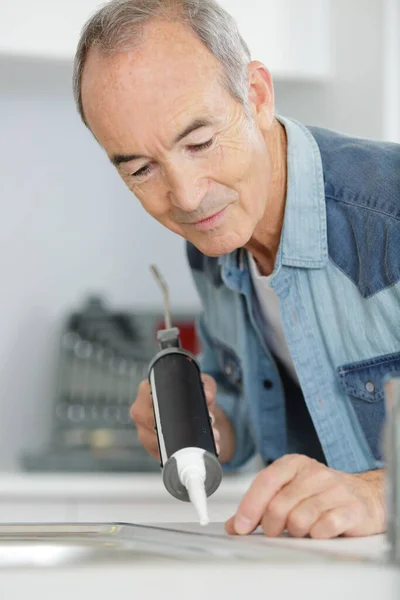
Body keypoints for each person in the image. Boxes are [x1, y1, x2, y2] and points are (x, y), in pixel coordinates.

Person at [73, 0, 400, 539]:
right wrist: (211, 428)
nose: (185, 196)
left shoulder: (388, 212)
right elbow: (264, 407)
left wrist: (377, 493)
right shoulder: (212, 247)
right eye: (141, 169)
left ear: (257, 95)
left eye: (199, 143)